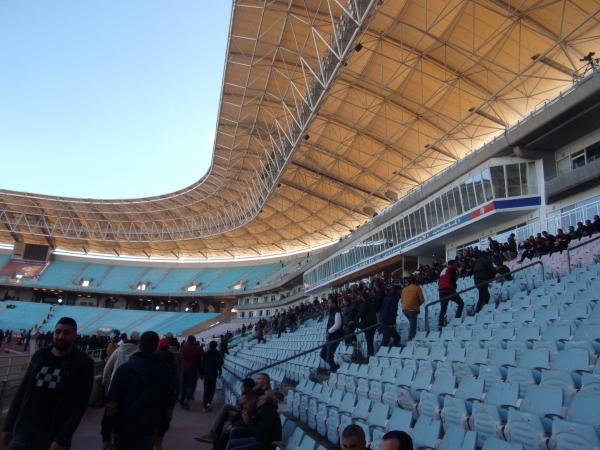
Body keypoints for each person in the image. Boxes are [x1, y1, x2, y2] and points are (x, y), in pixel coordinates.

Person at [3, 317, 94, 450]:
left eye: (67, 333)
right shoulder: (40, 356)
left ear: (75, 336)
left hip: (54, 433)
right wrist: (8, 426)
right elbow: (22, 392)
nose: (61, 336)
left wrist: (62, 439)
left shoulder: (83, 363)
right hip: (24, 429)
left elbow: (79, 405)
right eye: (58, 332)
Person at [101, 331, 175, 450]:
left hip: (122, 428)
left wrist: (106, 436)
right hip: (148, 429)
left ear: (139, 346)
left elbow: (111, 405)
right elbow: (168, 407)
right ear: (157, 347)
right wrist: (161, 435)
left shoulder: (123, 370)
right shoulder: (164, 372)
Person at [195, 378, 256, 444]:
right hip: (241, 413)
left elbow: (243, 411)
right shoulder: (249, 394)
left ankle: (214, 435)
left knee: (225, 416)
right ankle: (214, 434)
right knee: (226, 408)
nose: (241, 387)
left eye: (242, 386)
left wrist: (232, 420)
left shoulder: (249, 396)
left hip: (242, 416)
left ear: (245, 387)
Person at [437, 260, 464, 328]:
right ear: (453, 264)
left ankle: (440, 324)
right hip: (449, 289)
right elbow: (453, 279)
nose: (456, 265)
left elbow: (439, 282)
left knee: (443, 308)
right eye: (455, 263)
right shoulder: (452, 268)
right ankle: (457, 319)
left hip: (441, 290)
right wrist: (455, 286)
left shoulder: (443, 270)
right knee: (461, 303)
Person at [319, 298, 343, 372]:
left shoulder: (337, 313)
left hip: (335, 337)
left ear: (334, 304)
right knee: (322, 354)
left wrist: (329, 331)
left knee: (329, 355)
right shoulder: (332, 313)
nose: (328, 305)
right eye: (328, 303)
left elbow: (338, 325)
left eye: (329, 303)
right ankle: (334, 366)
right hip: (330, 338)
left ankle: (334, 370)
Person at [180, 335, 202, 410]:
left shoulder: (183, 348)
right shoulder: (196, 348)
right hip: (192, 369)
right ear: (194, 341)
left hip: (184, 369)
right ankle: (187, 399)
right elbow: (199, 360)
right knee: (191, 385)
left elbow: (181, 358)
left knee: (184, 384)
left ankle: (182, 399)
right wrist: (201, 371)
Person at [202, 340, 223, 412]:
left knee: (206, 389)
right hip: (213, 374)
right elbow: (220, 363)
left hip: (207, 374)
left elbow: (202, 364)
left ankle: (205, 405)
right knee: (212, 390)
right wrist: (220, 370)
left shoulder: (206, 354)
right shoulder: (218, 354)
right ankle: (208, 403)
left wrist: (201, 373)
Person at [357, 292, 377, 357]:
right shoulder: (371, 302)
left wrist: (355, 320)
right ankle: (370, 355)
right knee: (370, 341)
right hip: (373, 323)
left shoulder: (365, 304)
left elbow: (361, 314)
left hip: (368, 325)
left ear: (362, 297)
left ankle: (370, 356)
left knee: (369, 341)